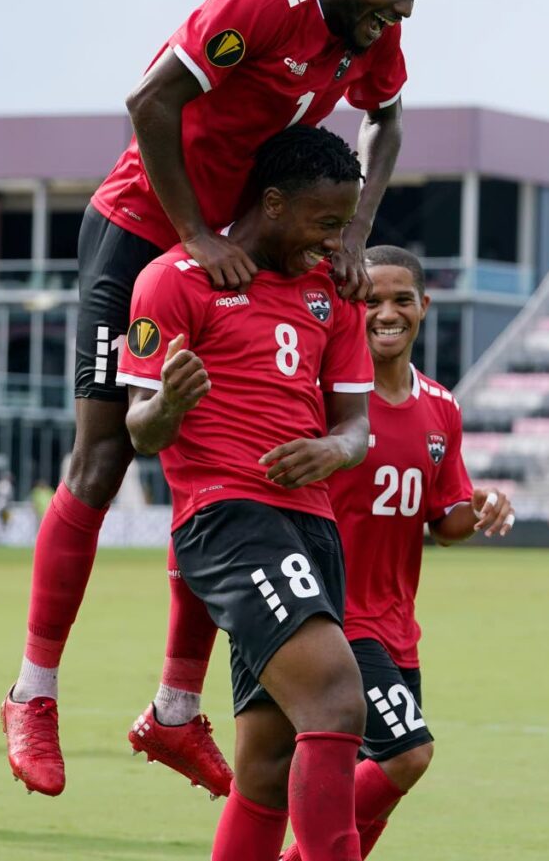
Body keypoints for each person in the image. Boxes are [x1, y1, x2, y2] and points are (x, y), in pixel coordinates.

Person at [1, 0, 446, 795]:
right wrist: (194, 235)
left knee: (229, 464)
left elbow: (389, 121)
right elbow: (149, 102)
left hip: (242, 248)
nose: (401, 13)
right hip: (141, 228)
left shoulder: (371, 27)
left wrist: (357, 230)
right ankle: (32, 692)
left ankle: (172, 711)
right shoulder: (261, 3)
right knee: (105, 454)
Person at [120, 125, 375, 861]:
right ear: (272, 202)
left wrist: (331, 447)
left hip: (312, 528)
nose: (335, 241)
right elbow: (140, 430)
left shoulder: (334, 292)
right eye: (325, 223)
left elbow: (356, 427)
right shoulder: (174, 278)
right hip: (228, 519)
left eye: (344, 224)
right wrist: (169, 402)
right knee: (336, 698)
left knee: (267, 761)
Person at [277, 245, 513, 860]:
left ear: (423, 307)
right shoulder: (325, 402)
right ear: (350, 306)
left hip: (396, 626)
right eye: (371, 299)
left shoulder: (442, 407)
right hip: (333, 619)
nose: (386, 312)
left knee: (381, 780)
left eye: (401, 299)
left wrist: (483, 505)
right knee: (407, 754)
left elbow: (446, 520)